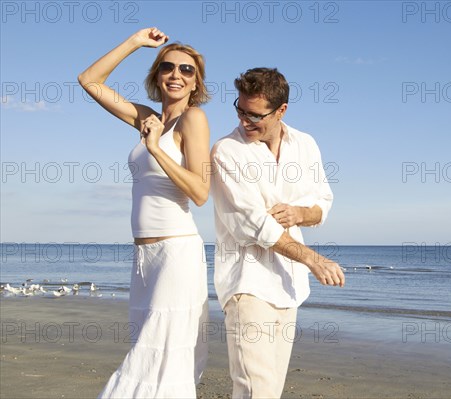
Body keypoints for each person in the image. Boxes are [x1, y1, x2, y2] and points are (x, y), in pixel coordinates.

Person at [78, 28, 211, 398]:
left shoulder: (192, 120)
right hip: (144, 257)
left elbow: (200, 192)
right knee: (150, 354)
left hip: (176, 253)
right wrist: (135, 42)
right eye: (167, 67)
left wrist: (155, 148)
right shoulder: (150, 119)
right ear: (156, 75)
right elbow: (89, 80)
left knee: (155, 357)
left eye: (187, 69)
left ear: (196, 81)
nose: (176, 74)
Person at [210, 67, 345, 399]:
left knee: (271, 391)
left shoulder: (306, 145)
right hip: (247, 283)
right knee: (256, 390)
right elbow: (253, 225)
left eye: (255, 115)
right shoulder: (227, 152)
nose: (245, 121)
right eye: (240, 110)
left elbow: (323, 203)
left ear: (281, 110)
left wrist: (300, 213)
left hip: (289, 285)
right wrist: (313, 259)